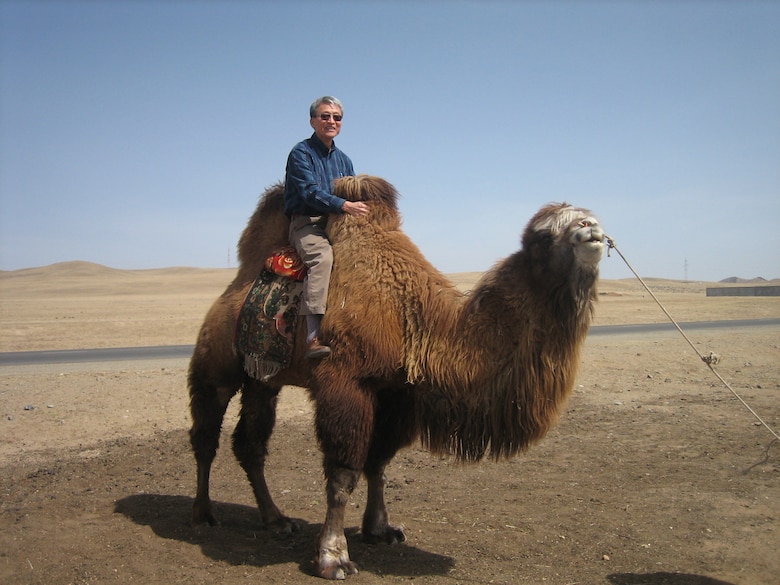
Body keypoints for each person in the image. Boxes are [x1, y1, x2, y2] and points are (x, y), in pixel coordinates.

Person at [284, 96, 369, 359]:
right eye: (325, 116)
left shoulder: (345, 160)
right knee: (322, 258)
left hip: (338, 223)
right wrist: (343, 205)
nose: (331, 121)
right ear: (313, 121)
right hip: (307, 222)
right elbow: (309, 192)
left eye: (337, 117)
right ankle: (313, 336)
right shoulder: (301, 153)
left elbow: (354, 193)